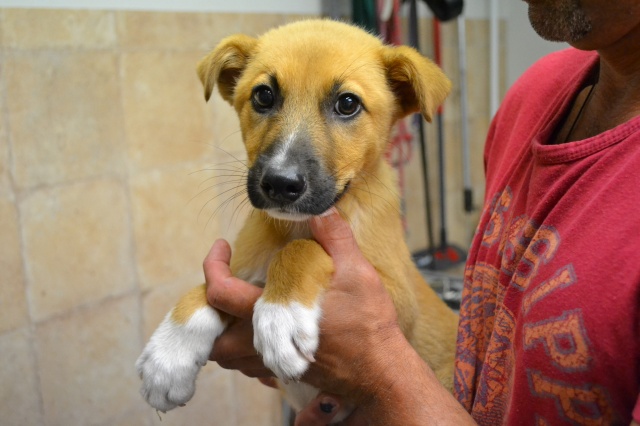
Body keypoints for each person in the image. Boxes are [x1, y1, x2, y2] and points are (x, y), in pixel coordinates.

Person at [204, 0, 640, 424]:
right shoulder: (534, 95)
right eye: (265, 97)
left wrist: (380, 375)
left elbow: (384, 336)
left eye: (347, 105)